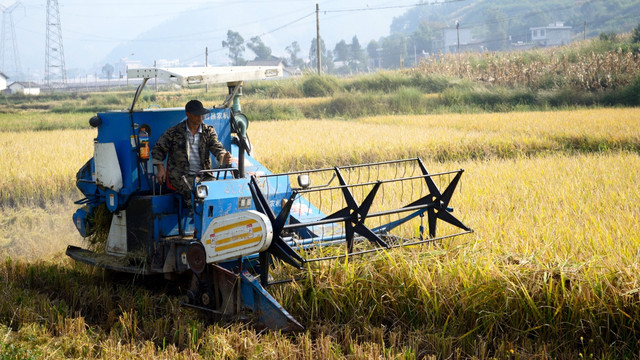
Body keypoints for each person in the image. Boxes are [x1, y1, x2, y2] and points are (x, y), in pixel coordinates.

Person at [152, 99, 232, 205]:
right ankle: (196, 216)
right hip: (181, 176)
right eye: (197, 115)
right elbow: (158, 149)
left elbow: (216, 146)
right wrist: (160, 169)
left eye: (202, 115)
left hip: (204, 175)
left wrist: (222, 156)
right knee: (197, 195)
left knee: (215, 192)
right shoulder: (174, 132)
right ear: (188, 114)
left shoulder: (208, 131)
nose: (200, 118)